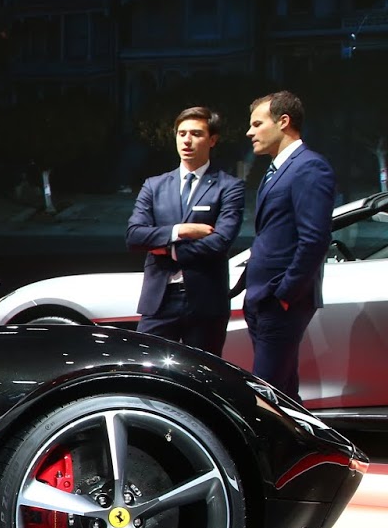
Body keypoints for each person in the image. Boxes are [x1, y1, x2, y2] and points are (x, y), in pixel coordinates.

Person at [124, 108, 245, 355]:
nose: (187, 140)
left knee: (203, 373)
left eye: (196, 134)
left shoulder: (229, 187)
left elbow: (220, 241)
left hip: (205, 301)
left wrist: (169, 250)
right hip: (159, 299)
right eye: (182, 133)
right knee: (145, 367)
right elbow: (135, 236)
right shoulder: (154, 186)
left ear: (212, 140)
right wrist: (181, 230)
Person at [243, 91, 335, 401]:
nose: (250, 132)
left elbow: (314, 240)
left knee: (265, 395)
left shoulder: (309, 167)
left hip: (280, 300)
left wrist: (285, 294)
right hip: (264, 298)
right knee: (282, 394)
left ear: (283, 121)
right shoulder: (277, 169)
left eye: (257, 124)